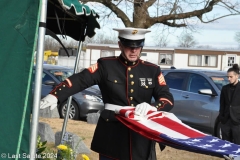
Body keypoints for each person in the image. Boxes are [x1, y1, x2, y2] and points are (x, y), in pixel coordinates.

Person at [40, 27, 174, 160]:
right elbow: (81, 79)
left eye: (138, 46)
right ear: (120, 45)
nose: (134, 50)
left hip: (141, 139)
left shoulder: (152, 70)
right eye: (129, 46)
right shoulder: (106, 65)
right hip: (112, 136)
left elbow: (167, 98)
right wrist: (56, 94)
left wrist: (153, 107)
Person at [219, 64, 240, 145]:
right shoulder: (225, 88)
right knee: (226, 145)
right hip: (226, 121)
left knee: (237, 145)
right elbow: (222, 104)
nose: (228, 79)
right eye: (227, 77)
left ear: (237, 76)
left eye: (231, 77)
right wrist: (222, 118)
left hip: (237, 122)